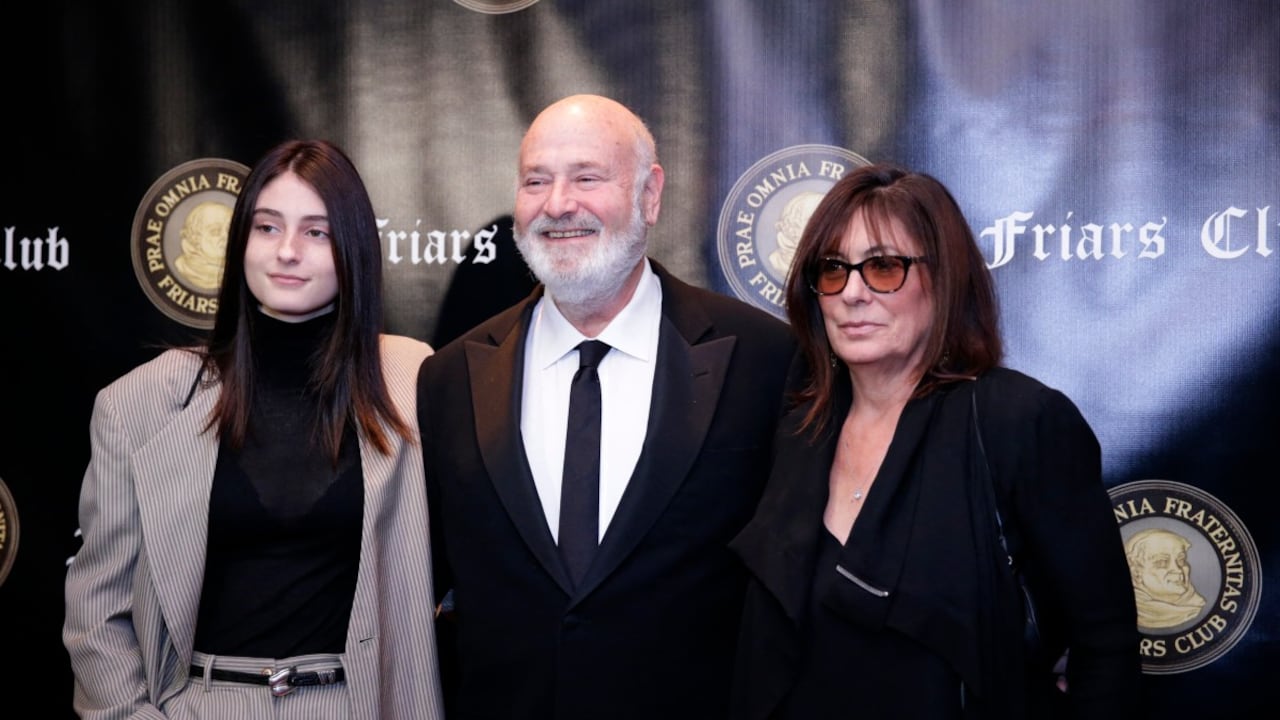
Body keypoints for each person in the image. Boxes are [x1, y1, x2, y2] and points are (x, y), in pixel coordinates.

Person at [416, 93, 796, 719]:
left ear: (650, 195)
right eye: (536, 181)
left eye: (586, 177)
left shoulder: (762, 356)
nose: (557, 203)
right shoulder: (451, 377)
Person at [729, 163, 1141, 719]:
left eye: (882, 267)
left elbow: (1104, 646)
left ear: (943, 280)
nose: (852, 293)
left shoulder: (1019, 421)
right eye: (832, 270)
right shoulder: (801, 425)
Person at [63, 139, 444, 720]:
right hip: (203, 704)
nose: (287, 251)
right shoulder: (139, 404)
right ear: (240, 240)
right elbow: (96, 610)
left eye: (316, 232)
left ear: (355, 248)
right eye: (267, 227)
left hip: (363, 703)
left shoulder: (415, 381)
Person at [1126, 528, 1206, 630]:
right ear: (1136, 573)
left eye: (1181, 560)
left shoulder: (1197, 604)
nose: (1178, 569)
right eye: (1162, 562)